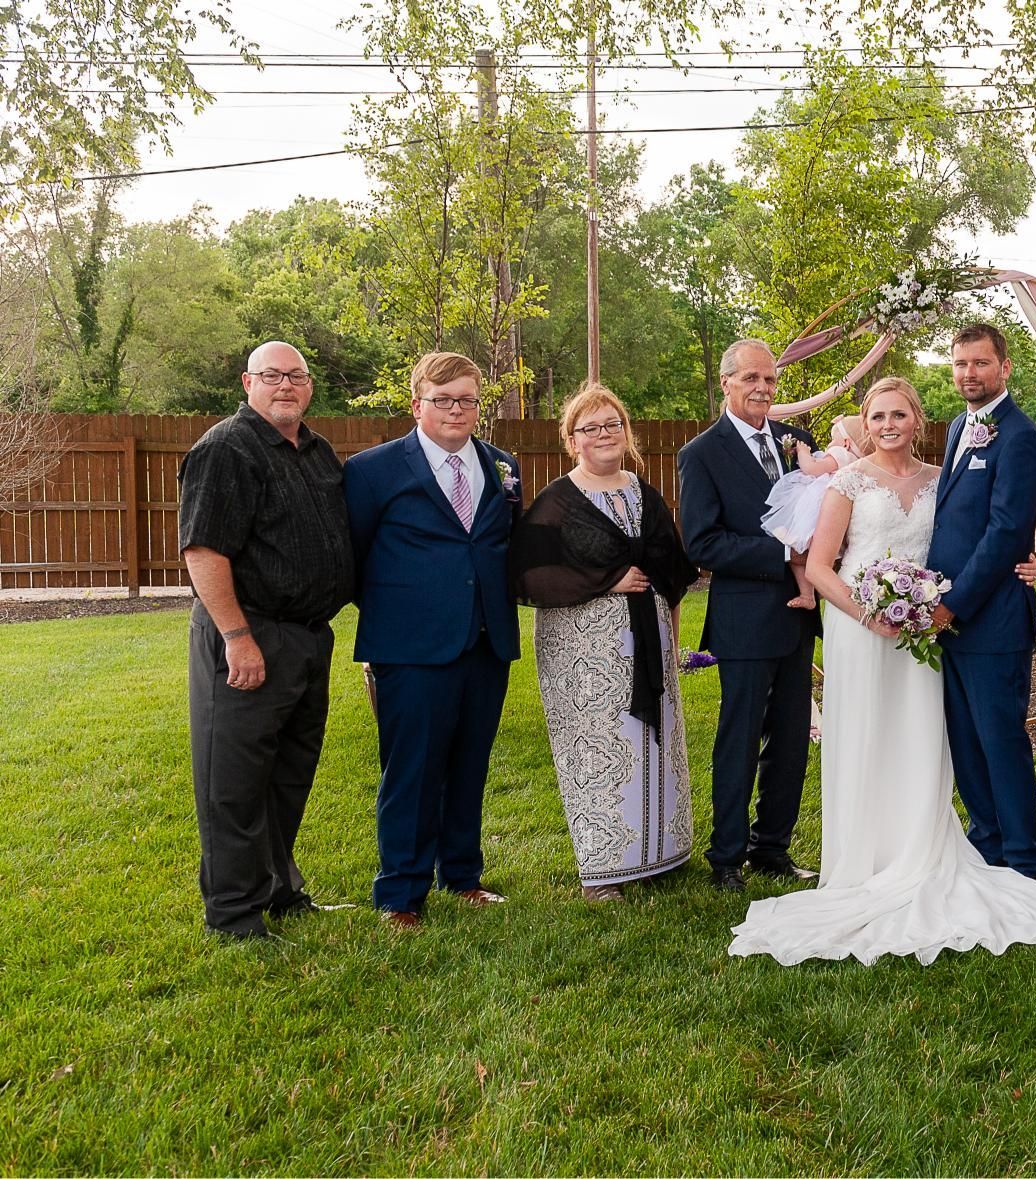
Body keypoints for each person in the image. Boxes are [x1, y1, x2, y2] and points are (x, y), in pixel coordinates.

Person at [728, 377, 1036, 965]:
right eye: (877, 415)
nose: (887, 424)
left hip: (925, 633)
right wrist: (867, 613)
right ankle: (861, 859)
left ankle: (925, 847)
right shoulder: (846, 483)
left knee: (923, 739)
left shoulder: (940, 480)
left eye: (898, 414)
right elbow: (823, 567)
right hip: (862, 634)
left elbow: (979, 534)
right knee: (865, 741)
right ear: (864, 421)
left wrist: (1023, 563)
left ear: (917, 419)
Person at [178, 340, 353, 940]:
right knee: (235, 780)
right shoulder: (227, 448)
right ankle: (233, 914)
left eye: (297, 376)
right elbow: (204, 551)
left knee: (289, 773)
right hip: (250, 635)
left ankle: (280, 890)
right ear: (246, 383)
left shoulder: (315, 450)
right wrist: (237, 637)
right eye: (272, 375)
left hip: (307, 639)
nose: (286, 385)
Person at [343, 352, 522, 929]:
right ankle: (400, 892)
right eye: (443, 400)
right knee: (413, 771)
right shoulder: (372, 470)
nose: (456, 410)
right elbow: (353, 557)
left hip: (486, 641)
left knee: (470, 763)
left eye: (468, 400)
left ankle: (463, 875)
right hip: (411, 646)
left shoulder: (502, 466)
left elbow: (504, 546)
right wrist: (397, 617)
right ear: (417, 403)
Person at [511, 384, 700, 903]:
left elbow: (674, 566)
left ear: (626, 432)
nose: (602, 435)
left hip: (648, 637)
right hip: (583, 649)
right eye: (589, 428)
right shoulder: (558, 500)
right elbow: (532, 575)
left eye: (611, 424)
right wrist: (607, 581)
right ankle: (603, 868)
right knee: (598, 748)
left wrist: (672, 632)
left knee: (649, 744)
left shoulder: (643, 492)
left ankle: (658, 852)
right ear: (572, 440)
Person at [677, 339, 819, 891]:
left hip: (799, 618)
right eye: (751, 379)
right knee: (738, 739)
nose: (763, 388)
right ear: (726, 383)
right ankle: (727, 857)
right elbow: (703, 543)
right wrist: (786, 554)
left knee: (790, 738)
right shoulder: (702, 454)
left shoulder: (797, 442)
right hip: (743, 619)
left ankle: (772, 849)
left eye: (770, 379)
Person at [926, 323, 1036, 879]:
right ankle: (987, 846)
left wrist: (952, 602)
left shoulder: (1019, 435)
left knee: (1000, 740)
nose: (968, 374)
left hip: (991, 617)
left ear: (1004, 368)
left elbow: (1004, 532)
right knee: (966, 741)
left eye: (979, 363)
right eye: (960, 364)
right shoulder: (958, 427)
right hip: (948, 620)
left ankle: (1024, 859)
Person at [762, 413, 867, 608]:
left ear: (845, 442)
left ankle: (807, 594)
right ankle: (811, 594)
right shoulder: (859, 463)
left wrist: (802, 452)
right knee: (807, 554)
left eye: (833, 437)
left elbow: (811, 468)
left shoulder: (840, 454)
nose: (830, 443)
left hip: (817, 510)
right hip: (829, 510)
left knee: (795, 549)